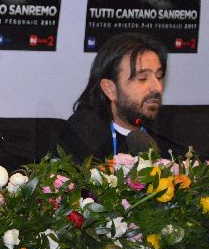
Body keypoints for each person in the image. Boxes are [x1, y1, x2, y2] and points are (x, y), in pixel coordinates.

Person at [61, 32, 173, 162]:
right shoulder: (83, 133)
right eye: (142, 78)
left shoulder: (169, 131)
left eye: (158, 76)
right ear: (110, 89)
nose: (157, 87)